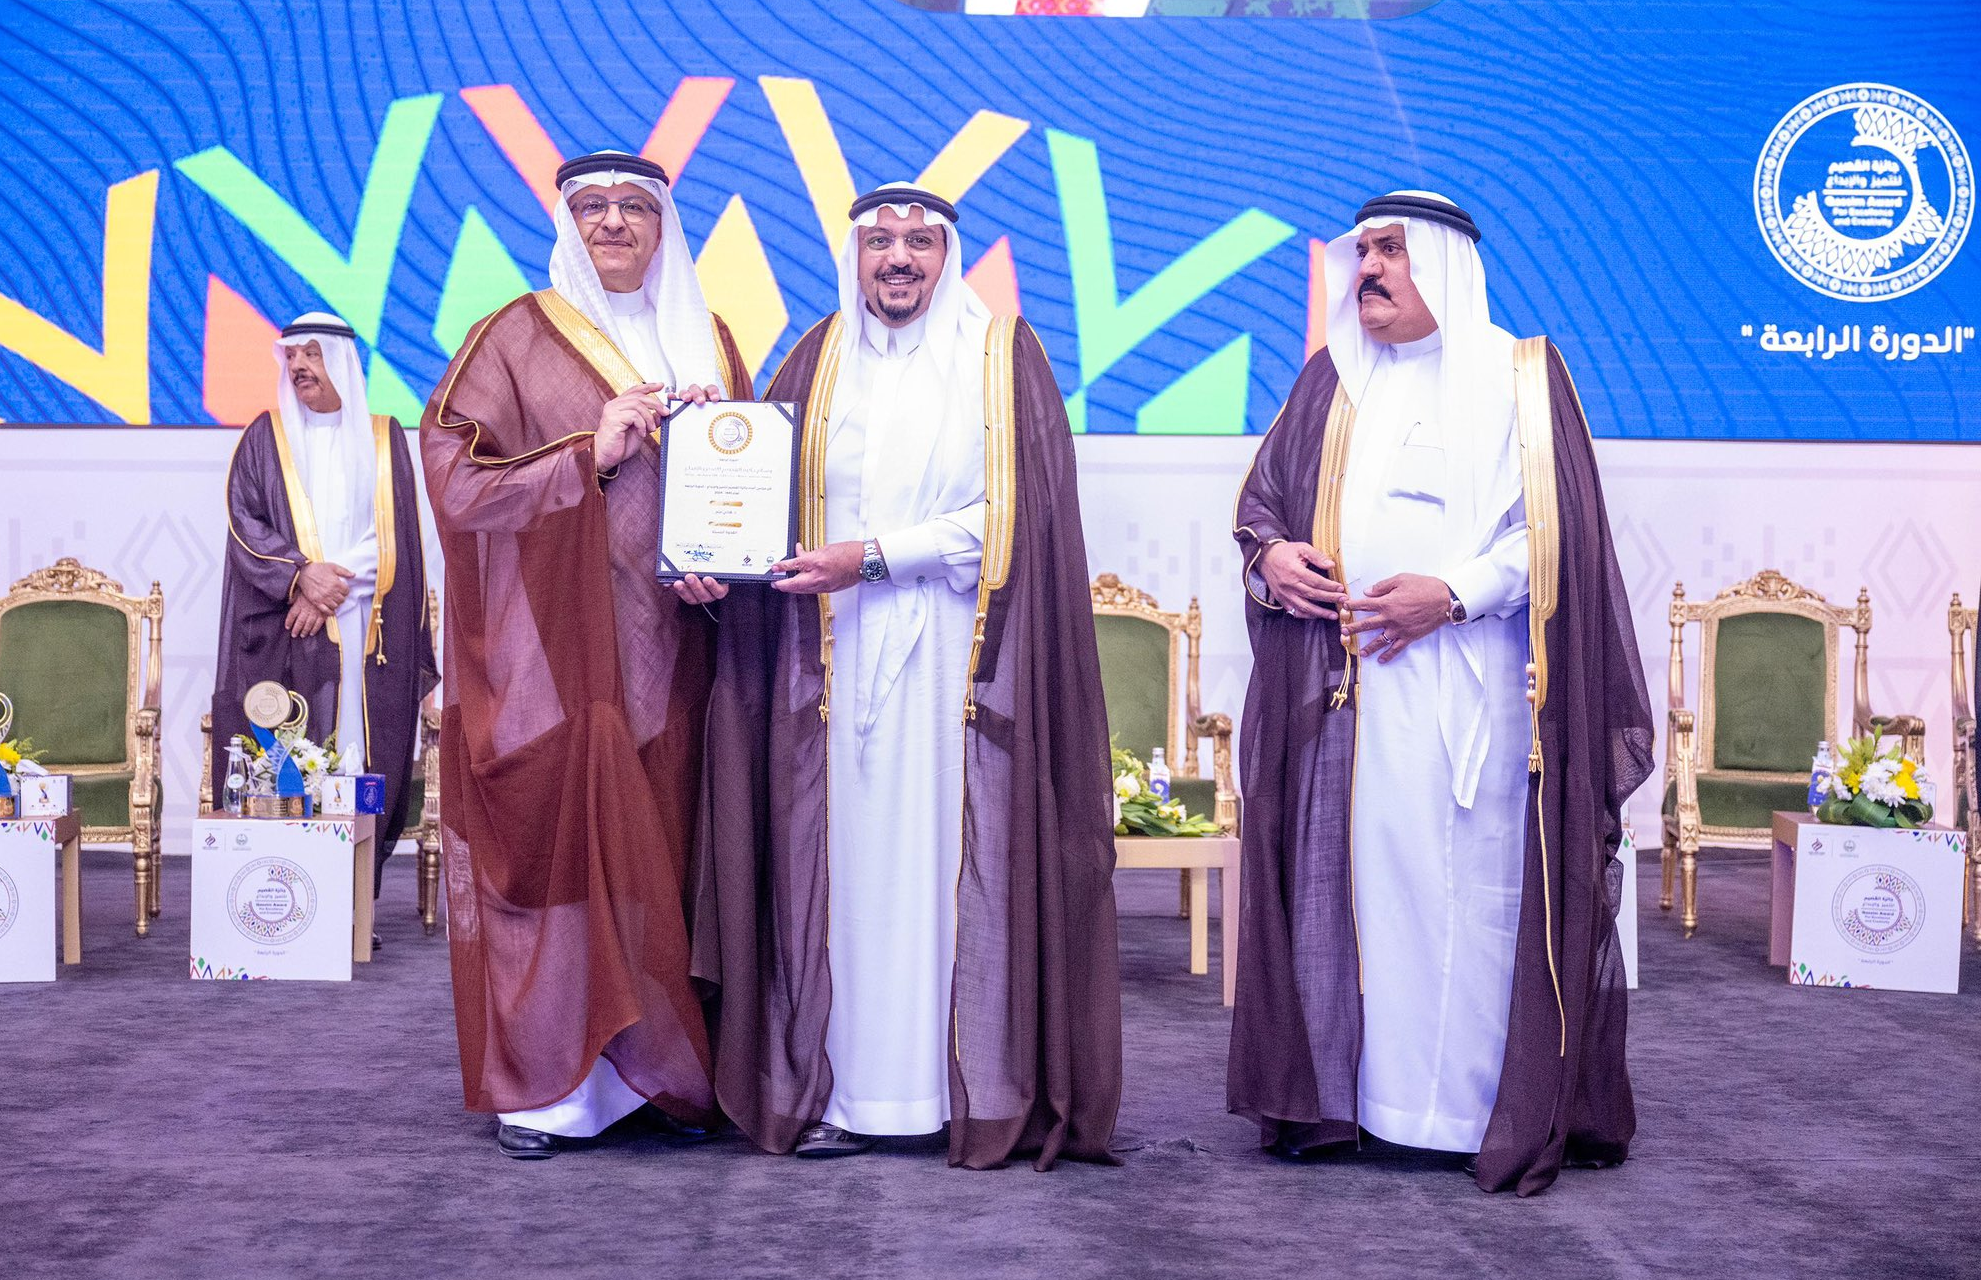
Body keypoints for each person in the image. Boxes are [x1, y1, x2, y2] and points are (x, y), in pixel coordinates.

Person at [684, 184, 1122, 1169]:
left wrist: (873, 555)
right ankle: (850, 1093)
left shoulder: (998, 358)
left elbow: (1015, 519)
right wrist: (713, 551)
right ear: (853, 254)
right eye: (878, 240)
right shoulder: (815, 358)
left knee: (945, 876)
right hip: (825, 674)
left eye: (919, 242)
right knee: (841, 878)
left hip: (955, 671)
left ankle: (951, 1089)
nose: (897, 257)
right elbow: (756, 506)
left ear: (946, 256)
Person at [1226, 191, 1654, 1196]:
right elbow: (1260, 511)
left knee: (1469, 899)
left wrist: (1450, 594)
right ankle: (1369, 1104)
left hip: (1472, 698)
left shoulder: (1517, 378)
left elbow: (1550, 535)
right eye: (1361, 250)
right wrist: (1275, 560)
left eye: (1389, 251)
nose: (1367, 269)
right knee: (1366, 895)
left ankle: (1470, 1109)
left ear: (1445, 265)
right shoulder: (1329, 382)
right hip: (1347, 705)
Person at [420, 150, 752, 1159]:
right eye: (594, 207)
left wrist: (720, 571)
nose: (613, 222)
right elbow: (450, 476)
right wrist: (587, 454)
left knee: (659, 854)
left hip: (671, 657)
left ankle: (650, 1076)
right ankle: (551, 1091)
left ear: (662, 225)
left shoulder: (714, 338)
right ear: (568, 223)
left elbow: (749, 491)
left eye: (634, 207)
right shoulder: (514, 335)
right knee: (557, 859)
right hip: (547, 655)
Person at [214, 312, 437, 902]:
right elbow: (244, 522)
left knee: (357, 748)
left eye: (311, 354)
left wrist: (331, 586)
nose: (299, 366)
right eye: (291, 356)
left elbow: (396, 534)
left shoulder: (384, 437)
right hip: (286, 624)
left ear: (339, 360)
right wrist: (300, 576)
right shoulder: (264, 437)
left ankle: (353, 898)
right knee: (288, 741)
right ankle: (276, 891)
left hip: (365, 619)